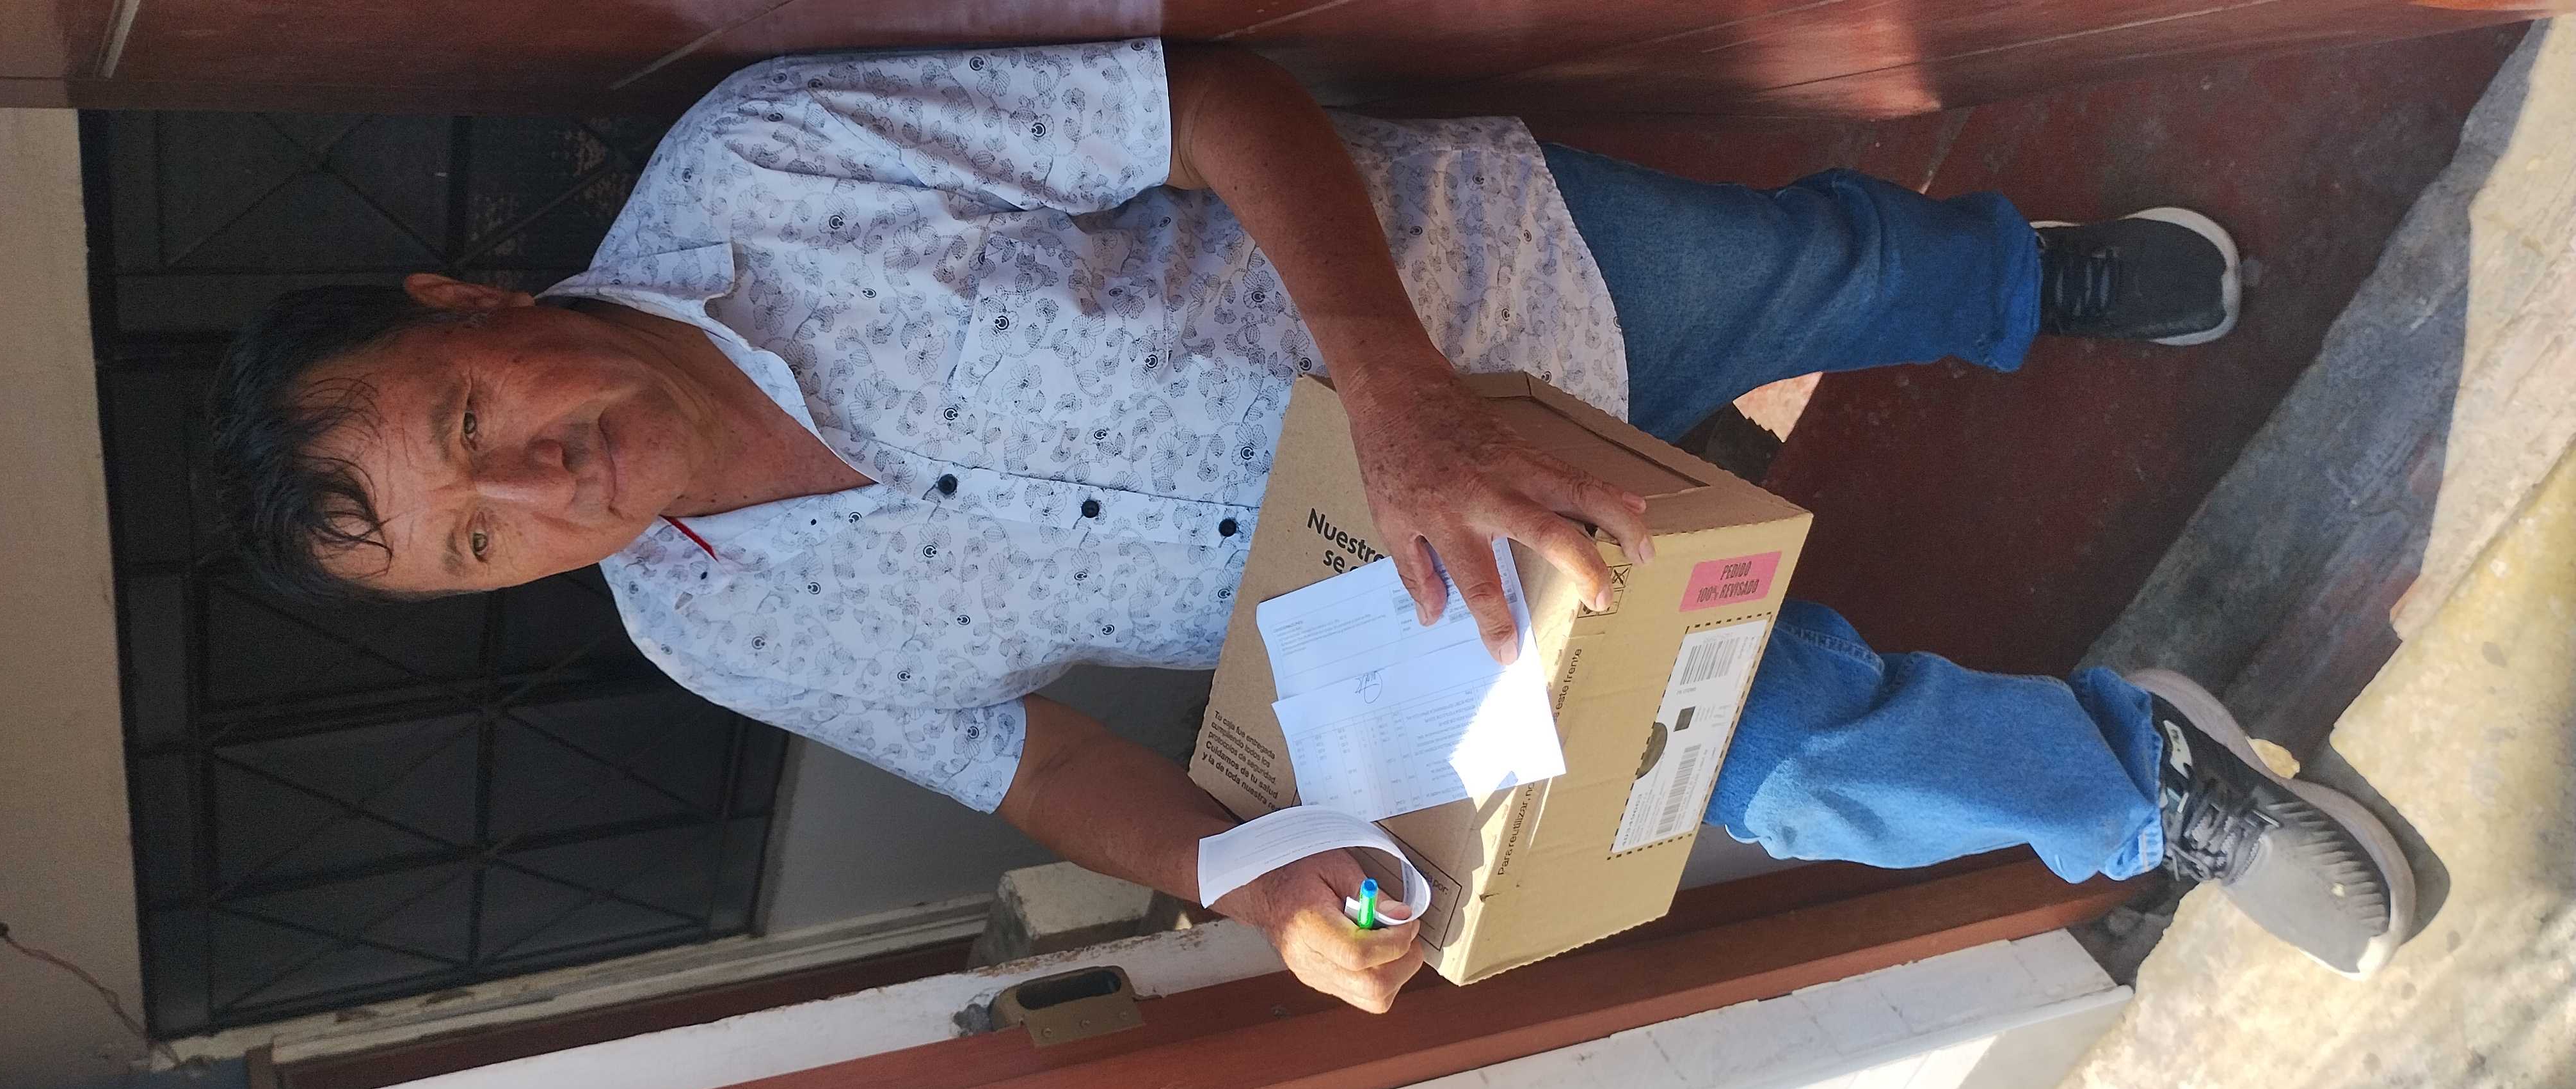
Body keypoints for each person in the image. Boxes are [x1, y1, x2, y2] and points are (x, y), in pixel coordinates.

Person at [204, 40, 2414, 1012]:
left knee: (1821, 275)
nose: (538, 489)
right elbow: (1029, 759)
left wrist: (1402, 392)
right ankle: (2153, 787)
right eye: (476, 541)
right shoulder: (708, 635)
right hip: (1416, 610)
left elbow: (1210, 101)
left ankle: (2025, 284)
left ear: (465, 305)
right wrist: (1252, 883)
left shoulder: (764, 166)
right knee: (1773, 766)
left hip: (1480, 286)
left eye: (474, 424)